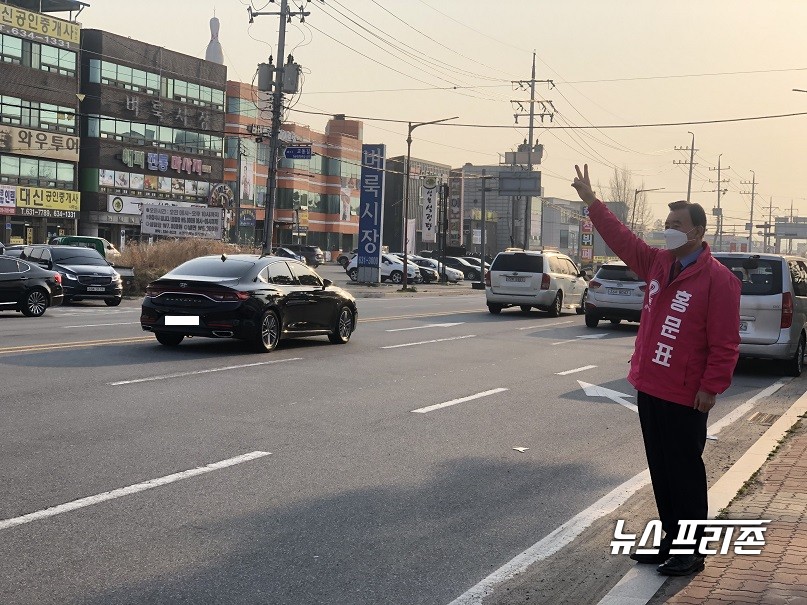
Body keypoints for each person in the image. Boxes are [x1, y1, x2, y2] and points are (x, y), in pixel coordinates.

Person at [571, 164, 741, 577]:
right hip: (650, 386)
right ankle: (669, 541)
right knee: (662, 470)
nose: (668, 230)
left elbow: (725, 344)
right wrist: (594, 203)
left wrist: (710, 388)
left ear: (698, 232)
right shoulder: (659, 263)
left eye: (677, 224)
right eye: (666, 224)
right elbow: (623, 240)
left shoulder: (718, 281)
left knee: (684, 472)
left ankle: (691, 551)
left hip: (686, 394)